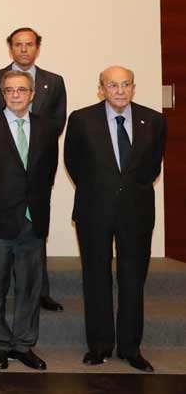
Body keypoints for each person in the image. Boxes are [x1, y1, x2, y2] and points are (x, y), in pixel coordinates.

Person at [64, 66, 166, 373]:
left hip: (136, 211)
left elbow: (152, 167)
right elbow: (74, 163)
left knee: (133, 279)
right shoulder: (82, 119)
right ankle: (99, 345)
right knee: (96, 277)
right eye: (112, 85)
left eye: (125, 85)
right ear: (101, 89)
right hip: (94, 210)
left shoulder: (154, 120)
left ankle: (131, 347)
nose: (119, 91)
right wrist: (102, 189)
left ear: (134, 88)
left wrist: (128, 190)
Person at [0, 70, 58, 371]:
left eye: (22, 89)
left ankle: (24, 344)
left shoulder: (47, 128)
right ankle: (0, 343)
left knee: (30, 288)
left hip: (33, 221)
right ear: (2, 94)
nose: (15, 94)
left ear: (32, 94)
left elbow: (47, 172)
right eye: (9, 90)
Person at [0, 27, 67, 313]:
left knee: (34, 244)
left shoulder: (54, 81)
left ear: (37, 48)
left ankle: (40, 292)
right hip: (1, 188)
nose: (24, 49)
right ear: (10, 48)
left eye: (29, 45)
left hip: (34, 180)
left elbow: (54, 127)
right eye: (18, 45)